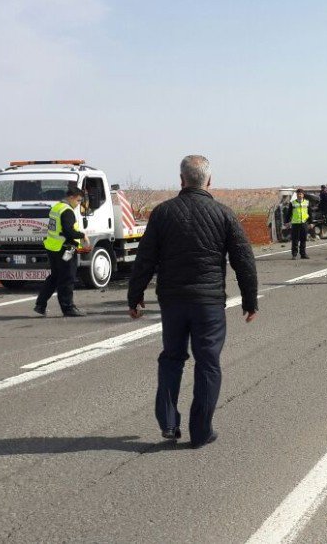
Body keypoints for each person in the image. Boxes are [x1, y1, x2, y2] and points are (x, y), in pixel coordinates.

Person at [128, 154, 258, 448]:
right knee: (208, 363)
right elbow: (244, 260)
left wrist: (134, 297)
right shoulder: (223, 214)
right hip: (209, 303)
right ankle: (200, 432)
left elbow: (144, 259)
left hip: (172, 302)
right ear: (209, 181)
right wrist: (250, 300)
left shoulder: (162, 213)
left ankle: (168, 423)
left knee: (172, 358)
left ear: (181, 180)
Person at [34, 185, 89, 317]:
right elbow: (69, 231)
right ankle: (68, 308)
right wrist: (82, 235)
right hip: (66, 249)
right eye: (78, 200)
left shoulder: (57, 207)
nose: (79, 204)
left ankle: (40, 305)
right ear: (71, 197)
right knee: (67, 277)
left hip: (53, 248)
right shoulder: (67, 211)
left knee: (55, 277)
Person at [286, 188, 310, 259]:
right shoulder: (293, 203)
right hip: (295, 224)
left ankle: (303, 254)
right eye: (298, 194)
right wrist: (287, 222)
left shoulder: (307, 202)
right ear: (296, 195)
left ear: (303, 195)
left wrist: (311, 222)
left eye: (301, 194)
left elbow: (310, 213)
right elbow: (289, 213)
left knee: (303, 239)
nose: (299, 195)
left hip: (304, 223)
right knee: (295, 240)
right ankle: (294, 254)